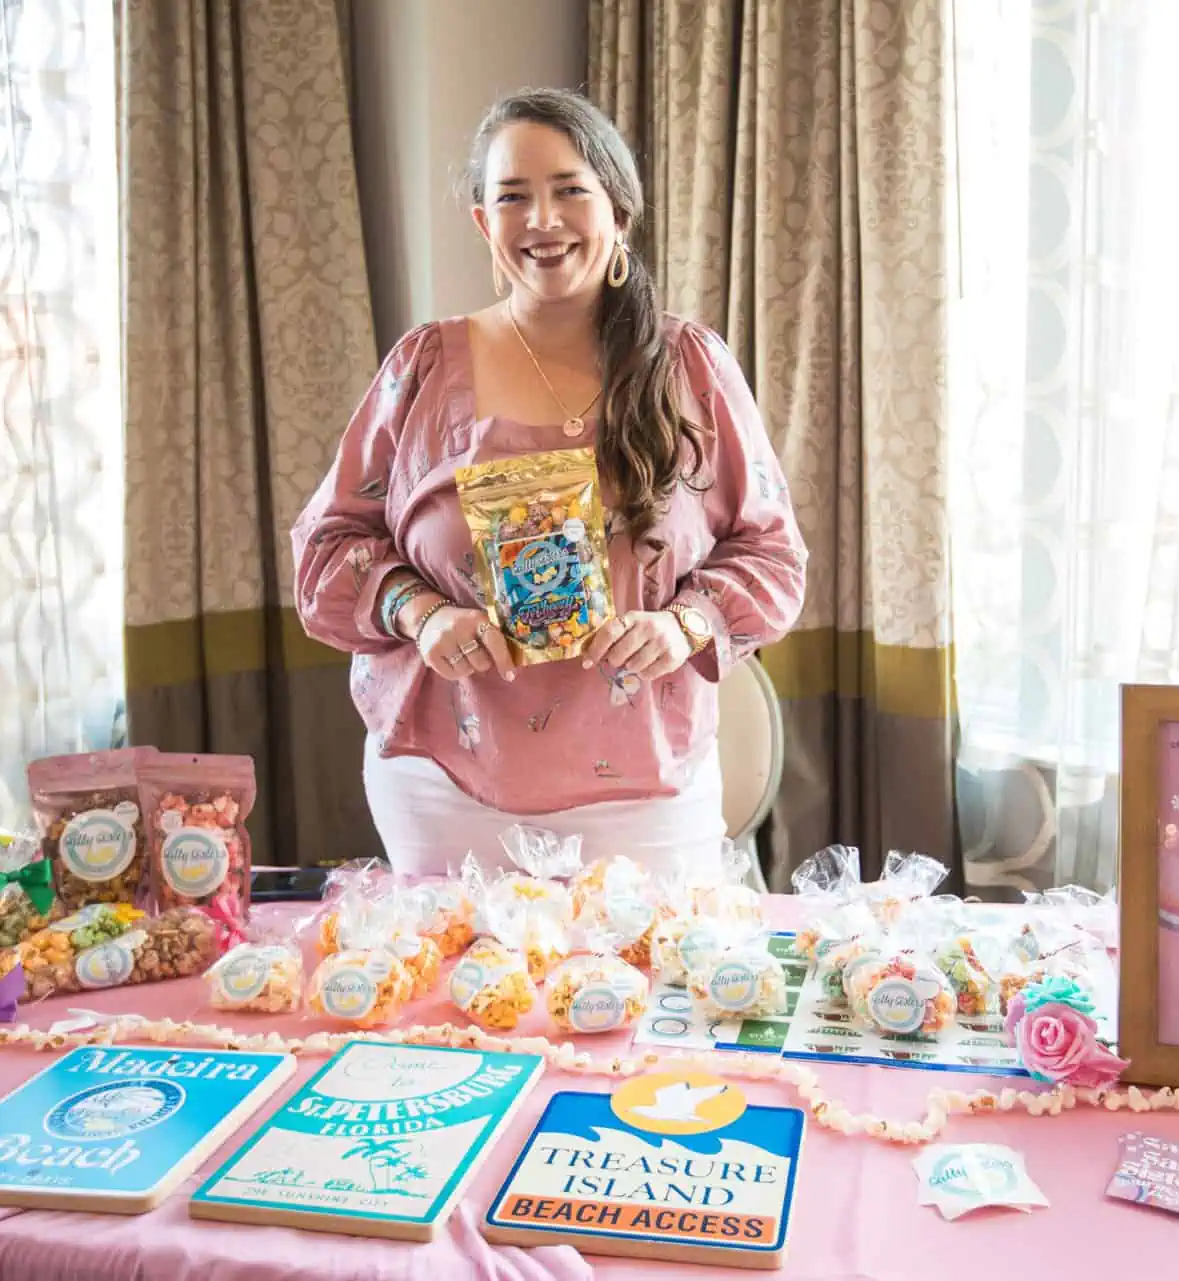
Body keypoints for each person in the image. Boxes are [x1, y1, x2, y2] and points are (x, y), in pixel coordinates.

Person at [292, 89, 807, 878]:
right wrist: (420, 612)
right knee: (451, 1001)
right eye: (512, 197)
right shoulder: (424, 368)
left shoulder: (690, 370)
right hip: (443, 791)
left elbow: (772, 555)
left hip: (645, 798)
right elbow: (327, 550)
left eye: (570, 189)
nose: (542, 219)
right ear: (482, 224)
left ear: (619, 212)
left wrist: (685, 625)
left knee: (647, 997)